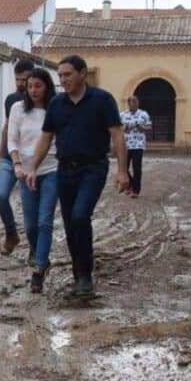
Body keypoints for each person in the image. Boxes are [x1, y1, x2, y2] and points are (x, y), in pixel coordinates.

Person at [27, 55, 130, 298]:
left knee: (81, 216)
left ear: (83, 74)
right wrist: (33, 167)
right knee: (71, 223)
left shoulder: (102, 100)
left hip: (93, 168)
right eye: (60, 76)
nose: (63, 80)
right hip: (65, 170)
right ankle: (78, 274)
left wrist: (123, 171)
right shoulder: (57, 104)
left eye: (68, 75)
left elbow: (116, 134)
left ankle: (85, 275)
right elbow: (46, 138)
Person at [9, 68, 59, 293]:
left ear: (47, 87)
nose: (33, 90)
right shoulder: (18, 109)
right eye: (30, 86)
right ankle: (40, 255)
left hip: (51, 169)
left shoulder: (56, 109)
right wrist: (18, 164)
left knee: (45, 220)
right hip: (25, 171)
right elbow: (12, 140)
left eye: (38, 86)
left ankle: (38, 269)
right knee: (30, 225)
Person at [0, 59, 33, 255]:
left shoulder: (45, 100)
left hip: (31, 160)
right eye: (17, 79)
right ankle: (11, 232)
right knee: (0, 196)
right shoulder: (11, 100)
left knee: (30, 210)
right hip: (9, 157)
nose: (20, 83)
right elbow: (8, 125)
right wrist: (1, 153)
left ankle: (35, 250)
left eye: (24, 79)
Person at [120, 96, 152, 198]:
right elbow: (119, 129)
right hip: (125, 145)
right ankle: (130, 184)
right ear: (128, 103)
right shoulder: (122, 115)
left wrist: (141, 127)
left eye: (136, 102)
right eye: (132, 102)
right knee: (124, 168)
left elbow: (149, 127)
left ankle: (136, 191)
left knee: (137, 169)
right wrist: (129, 126)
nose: (134, 104)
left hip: (138, 145)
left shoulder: (143, 114)